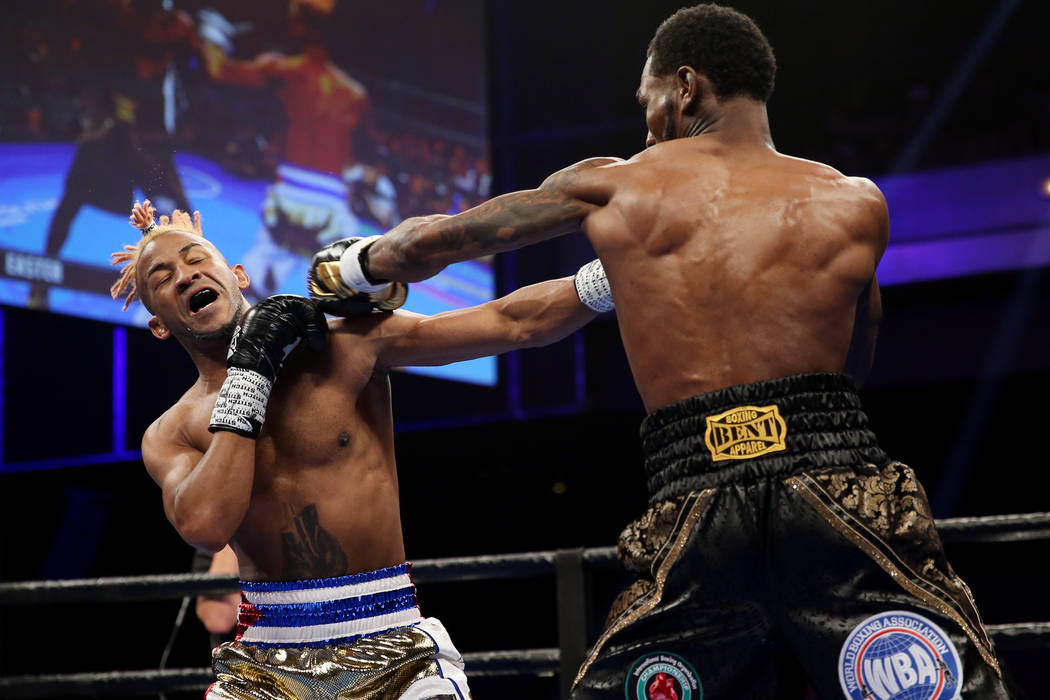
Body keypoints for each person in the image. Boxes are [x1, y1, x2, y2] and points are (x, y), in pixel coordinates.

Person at [309, 4, 1012, 698]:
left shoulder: (618, 184)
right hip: (840, 489)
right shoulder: (855, 200)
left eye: (646, 100)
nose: (645, 124)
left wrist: (351, 265)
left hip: (698, 505)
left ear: (684, 86)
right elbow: (857, 362)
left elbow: (435, 244)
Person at [111, 200, 608, 699]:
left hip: (392, 641)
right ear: (159, 326)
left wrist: (624, 266)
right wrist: (249, 374)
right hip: (265, 661)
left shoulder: (345, 343)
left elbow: (513, 322)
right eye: (162, 277)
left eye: (196, 259)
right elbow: (206, 526)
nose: (183, 275)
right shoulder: (169, 433)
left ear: (238, 274)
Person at [199, 0, 370, 300]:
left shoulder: (283, 69)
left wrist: (209, 36)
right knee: (350, 300)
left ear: (299, 26)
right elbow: (357, 157)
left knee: (250, 293)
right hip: (332, 202)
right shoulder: (355, 95)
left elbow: (219, 70)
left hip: (289, 195)